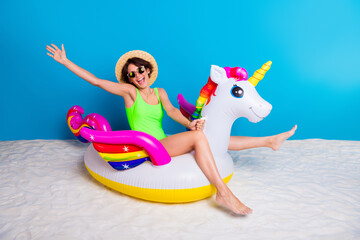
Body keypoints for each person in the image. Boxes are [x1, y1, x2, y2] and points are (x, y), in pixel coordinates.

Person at [47, 44, 297, 215]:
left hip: (163, 140)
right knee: (200, 138)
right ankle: (224, 193)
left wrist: (190, 123)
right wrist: (65, 61)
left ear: (148, 70)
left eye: (140, 70)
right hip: (145, 146)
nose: (138, 76)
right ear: (129, 79)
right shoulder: (130, 93)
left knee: (208, 136)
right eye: (132, 74)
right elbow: (97, 81)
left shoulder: (160, 92)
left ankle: (269, 141)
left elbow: (173, 112)